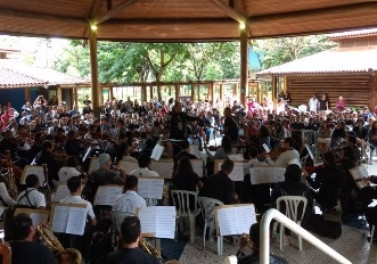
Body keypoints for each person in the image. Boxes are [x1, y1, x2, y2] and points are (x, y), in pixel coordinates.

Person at [59, 176, 97, 262]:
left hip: (65, 234)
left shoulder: (62, 202)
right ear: (79, 188)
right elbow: (94, 222)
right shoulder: (86, 204)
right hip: (81, 237)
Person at [223, 222, 287, 264]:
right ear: (271, 240)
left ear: (251, 241)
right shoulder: (282, 261)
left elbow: (233, 261)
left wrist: (241, 248)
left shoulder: (245, 261)